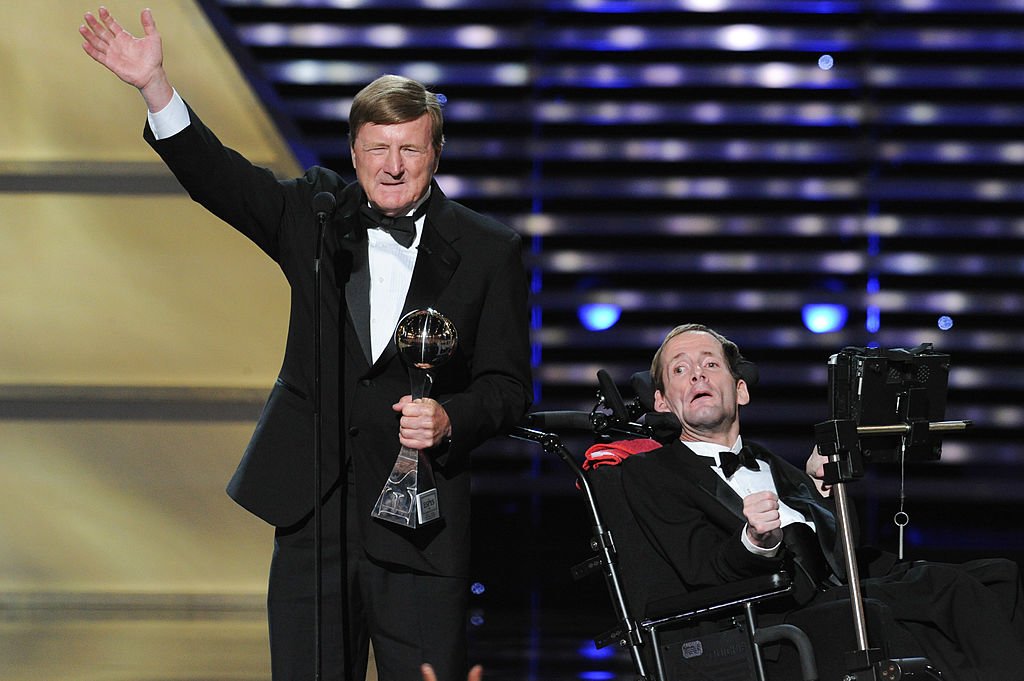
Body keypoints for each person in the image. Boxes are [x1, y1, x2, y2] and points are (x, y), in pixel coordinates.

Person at [80, 8, 533, 681]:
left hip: (420, 521)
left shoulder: (490, 250)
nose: (392, 164)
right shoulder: (316, 215)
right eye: (377, 147)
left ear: (436, 152)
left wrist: (450, 417)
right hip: (312, 515)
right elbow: (222, 180)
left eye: (409, 147)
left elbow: (507, 387)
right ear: (354, 152)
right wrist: (156, 88)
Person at [619, 323, 1024, 681]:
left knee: (1000, 577)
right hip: (768, 619)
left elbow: (838, 550)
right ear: (662, 402)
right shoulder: (651, 473)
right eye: (680, 369)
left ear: (740, 390)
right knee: (947, 590)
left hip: (840, 586)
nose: (696, 376)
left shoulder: (769, 462)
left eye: (709, 365)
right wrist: (755, 543)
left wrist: (824, 490)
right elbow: (697, 566)